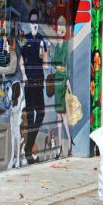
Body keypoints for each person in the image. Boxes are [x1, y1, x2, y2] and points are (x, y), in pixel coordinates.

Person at [19, 9, 47, 164]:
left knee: (41, 113)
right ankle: (29, 151)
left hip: (39, 81)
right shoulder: (26, 39)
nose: (34, 24)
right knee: (30, 116)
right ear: (29, 23)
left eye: (36, 21)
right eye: (32, 21)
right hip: (29, 81)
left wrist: (43, 48)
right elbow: (21, 60)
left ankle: (28, 147)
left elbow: (45, 60)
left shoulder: (41, 39)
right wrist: (23, 75)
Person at [51, 15, 73, 158]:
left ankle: (69, 142)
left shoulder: (65, 46)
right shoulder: (56, 46)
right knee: (58, 115)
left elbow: (68, 64)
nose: (61, 30)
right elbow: (52, 63)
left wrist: (67, 79)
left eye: (63, 28)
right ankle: (59, 146)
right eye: (59, 28)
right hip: (56, 80)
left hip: (62, 80)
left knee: (63, 114)